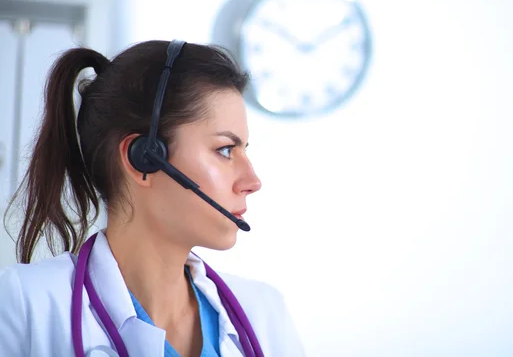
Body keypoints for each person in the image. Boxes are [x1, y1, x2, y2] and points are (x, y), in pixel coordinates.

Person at [0, 40, 305, 357]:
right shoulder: (24, 304)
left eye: (244, 151)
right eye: (225, 150)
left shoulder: (264, 314)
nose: (252, 182)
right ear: (143, 158)